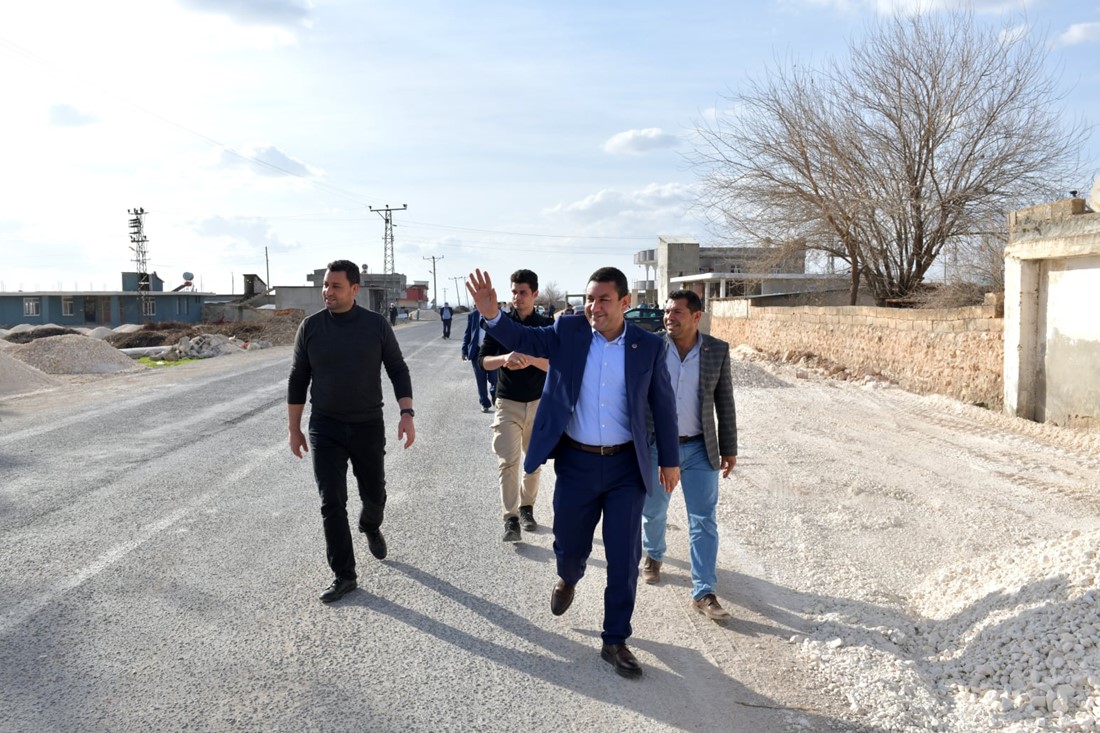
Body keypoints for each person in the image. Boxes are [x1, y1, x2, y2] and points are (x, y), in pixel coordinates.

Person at [466, 266, 680, 680]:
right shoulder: (569, 330)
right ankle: (568, 577)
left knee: (624, 556)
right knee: (569, 544)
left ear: (625, 303)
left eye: (603, 300)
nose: (594, 307)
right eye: (590, 299)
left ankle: (615, 639)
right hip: (577, 463)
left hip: (625, 467)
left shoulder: (649, 346)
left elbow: (663, 405)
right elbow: (525, 339)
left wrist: (669, 459)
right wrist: (492, 315)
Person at [287, 259, 416, 604]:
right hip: (325, 426)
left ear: (354, 289)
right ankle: (345, 575)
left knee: (375, 496)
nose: (327, 292)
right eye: (325, 286)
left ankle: (370, 525)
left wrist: (406, 413)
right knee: (331, 502)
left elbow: (397, 369)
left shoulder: (375, 326)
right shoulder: (311, 327)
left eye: (335, 286)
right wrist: (294, 429)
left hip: (367, 425)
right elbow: (298, 380)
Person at [640, 290, 738, 621]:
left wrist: (729, 448)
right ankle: (654, 553)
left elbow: (725, 401)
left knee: (703, 519)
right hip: (658, 446)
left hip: (699, 447)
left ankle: (703, 591)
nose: (669, 317)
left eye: (677, 312)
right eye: (667, 311)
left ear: (696, 316)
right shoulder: (651, 347)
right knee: (654, 510)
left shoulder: (716, 350)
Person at [478, 269, 553, 542]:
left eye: (523, 292)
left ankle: (526, 508)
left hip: (538, 404)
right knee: (507, 463)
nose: (517, 297)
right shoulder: (500, 325)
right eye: (514, 292)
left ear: (535, 294)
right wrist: (505, 358)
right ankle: (510, 518)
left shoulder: (545, 326)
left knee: (533, 463)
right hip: (507, 403)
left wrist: (530, 359)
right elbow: (483, 361)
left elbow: (555, 365)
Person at [461, 308, 499, 413]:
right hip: (477, 351)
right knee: (480, 380)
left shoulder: (496, 313)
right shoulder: (473, 315)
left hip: (492, 352)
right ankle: (484, 403)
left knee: (494, 378)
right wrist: (464, 350)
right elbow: (468, 333)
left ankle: (495, 396)